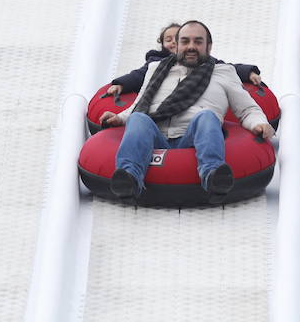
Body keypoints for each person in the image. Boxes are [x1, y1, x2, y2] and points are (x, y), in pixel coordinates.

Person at [102, 21, 274, 203]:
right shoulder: (156, 69)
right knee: (138, 118)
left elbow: (247, 109)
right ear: (177, 45)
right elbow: (139, 104)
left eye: (198, 42)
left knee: (206, 116)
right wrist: (120, 118)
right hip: (156, 137)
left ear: (208, 46)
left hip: (194, 137)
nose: (191, 46)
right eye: (185, 41)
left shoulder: (224, 72)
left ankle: (213, 176)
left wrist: (259, 124)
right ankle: (129, 179)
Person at [105, 22, 261, 96]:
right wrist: (121, 84)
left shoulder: (197, 58)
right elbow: (139, 74)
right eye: (168, 39)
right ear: (162, 44)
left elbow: (224, 67)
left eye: (177, 38)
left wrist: (248, 73)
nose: (173, 42)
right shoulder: (155, 62)